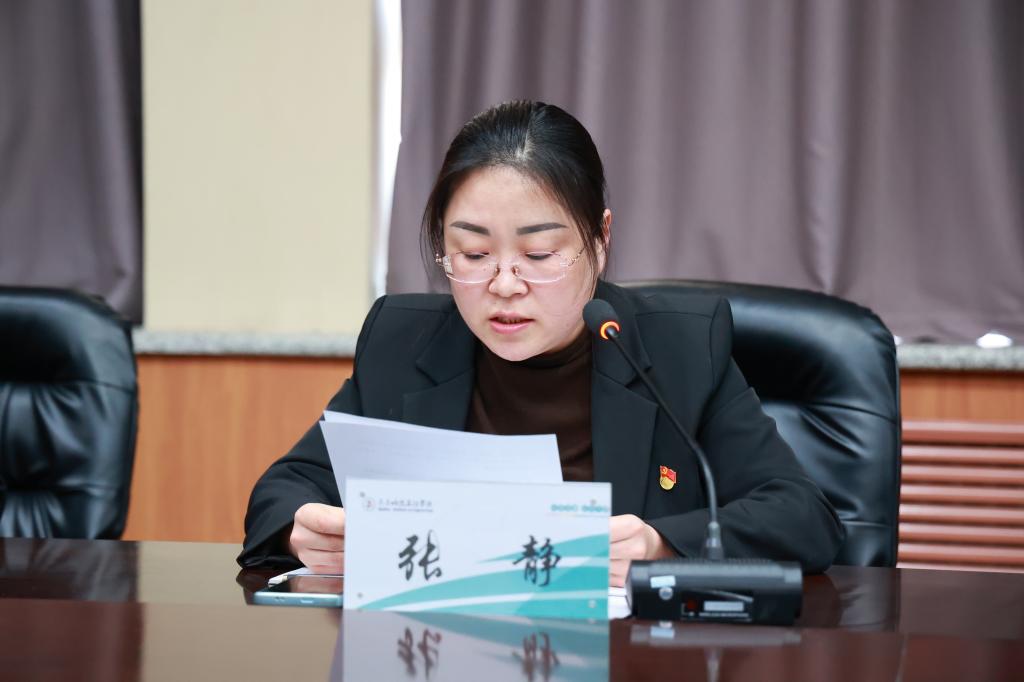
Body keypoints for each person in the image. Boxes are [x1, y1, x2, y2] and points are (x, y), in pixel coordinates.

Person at [239, 100, 845, 586]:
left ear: (599, 241)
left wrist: (661, 545)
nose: (504, 284)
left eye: (538, 253)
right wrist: (302, 529)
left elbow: (803, 517)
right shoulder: (403, 341)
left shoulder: (679, 347)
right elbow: (284, 489)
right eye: (473, 253)